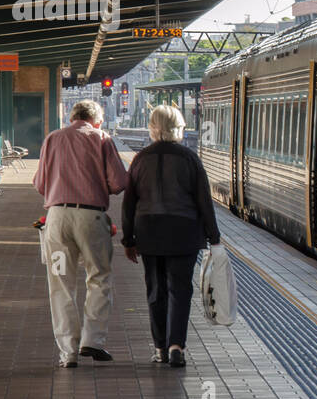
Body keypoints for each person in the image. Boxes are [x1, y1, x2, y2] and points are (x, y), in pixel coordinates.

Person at [121, 105, 220, 368]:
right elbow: (203, 200)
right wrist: (214, 237)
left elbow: (129, 202)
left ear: (152, 127)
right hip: (183, 233)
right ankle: (177, 346)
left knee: (156, 290)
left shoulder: (140, 159)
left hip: (149, 232)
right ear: (179, 127)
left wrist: (128, 240)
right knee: (180, 290)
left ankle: (160, 349)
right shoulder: (189, 158)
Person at [34, 99, 130, 367]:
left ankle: (69, 353)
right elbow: (119, 183)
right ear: (96, 120)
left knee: (60, 284)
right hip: (91, 217)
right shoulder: (102, 138)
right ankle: (93, 340)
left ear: (72, 118)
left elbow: (40, 184)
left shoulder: (52, 139)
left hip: (57, 219)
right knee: (99, 276)